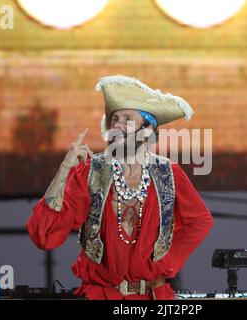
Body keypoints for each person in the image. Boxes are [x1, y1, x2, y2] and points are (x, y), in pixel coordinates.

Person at [26, 75, 214, 300]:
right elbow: (44, 236)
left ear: (147, 130)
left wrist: (167, 261)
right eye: (114, 119)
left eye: (127, 119)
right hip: (99, 296)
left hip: (154, 297)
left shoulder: (168, 173)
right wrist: (64, 171)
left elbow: (200, 221)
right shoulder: (90, 171)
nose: (116, 124)